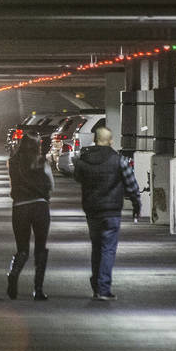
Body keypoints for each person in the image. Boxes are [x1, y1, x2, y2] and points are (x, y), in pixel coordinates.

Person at [73, 125, 140, 301]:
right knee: (108, 249)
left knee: (96, 247)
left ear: (95, 140)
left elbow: (77, 177)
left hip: (92, 210)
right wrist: (136, 205)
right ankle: (103, 288)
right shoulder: (119, 160)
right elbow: (131, 185)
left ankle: (96, 284)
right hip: (111, 212)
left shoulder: (84, 160)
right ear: (110, 141)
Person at [6, 135, 54, 300]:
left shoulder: (13, 162)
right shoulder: (42, 162)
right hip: (40, 207)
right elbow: (51, 184)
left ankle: (13, 273)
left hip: (20, 207)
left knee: (22, 249)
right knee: (40, 248)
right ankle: (38, 289)